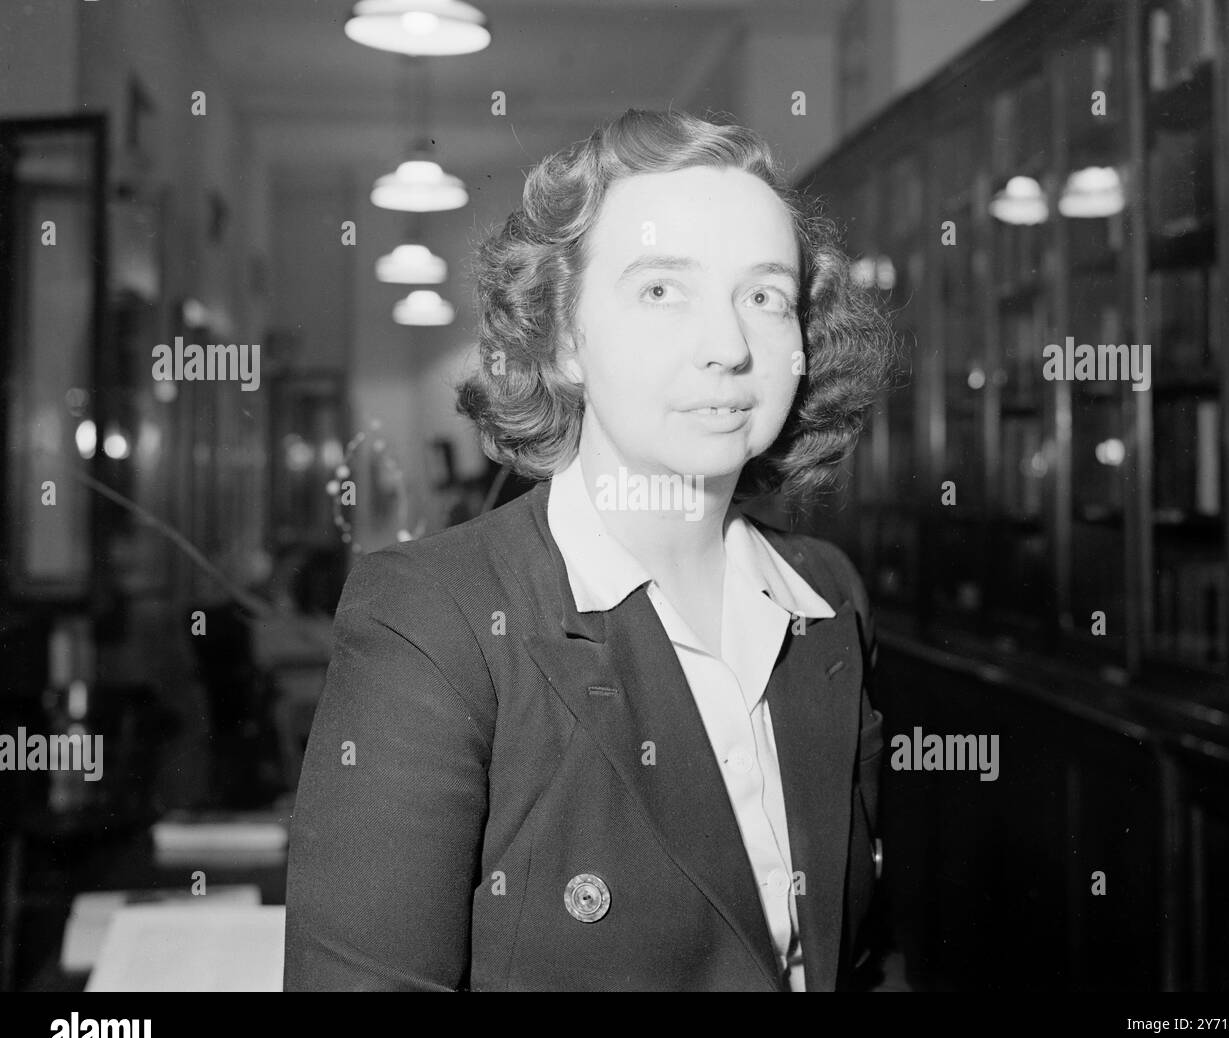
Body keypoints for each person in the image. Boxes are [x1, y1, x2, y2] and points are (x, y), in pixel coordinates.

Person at [284, 108, 897, 991]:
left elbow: (864, 957)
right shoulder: (435, 618)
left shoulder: (824, 596)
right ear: (563, 339)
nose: (728, 347)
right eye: (660, 289)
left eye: (764, 295)